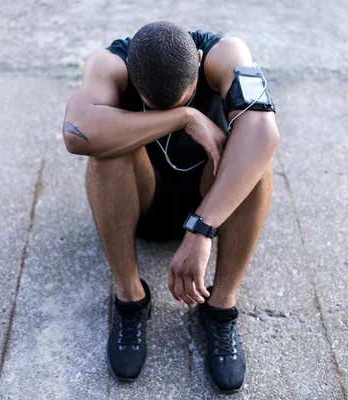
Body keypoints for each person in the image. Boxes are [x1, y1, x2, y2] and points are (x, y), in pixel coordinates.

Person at [62, 21, 279, 393]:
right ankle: (130, 296)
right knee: (104, 154)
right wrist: (185, 117)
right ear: (132, 74)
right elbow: (76, 132)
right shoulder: (109, 64)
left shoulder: (224, 54)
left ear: (197, 63)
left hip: (210, 200)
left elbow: (264, 134)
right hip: (142, 204)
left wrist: (202, 227)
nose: (177, 111)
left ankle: (220, 305)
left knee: (255, 161)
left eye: (185, 100)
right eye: (154, 105)